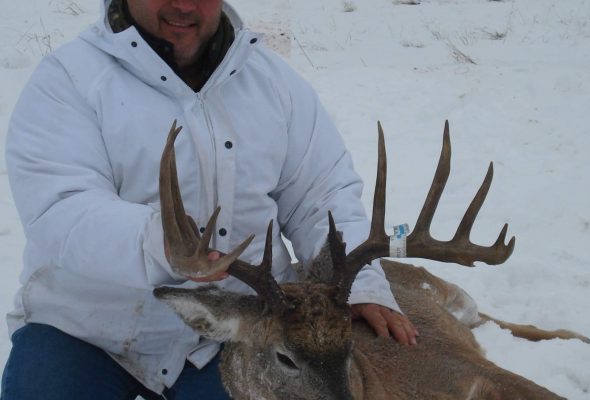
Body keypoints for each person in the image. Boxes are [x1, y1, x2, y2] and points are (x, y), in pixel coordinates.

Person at [1, 0, 418, 399]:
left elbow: (322, 196)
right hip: (86, 325)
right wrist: (156, 244)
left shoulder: (272, 82)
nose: (184, 6)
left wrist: (362, 284)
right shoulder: (69, 79)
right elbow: (61, 206)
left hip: (243, 326)